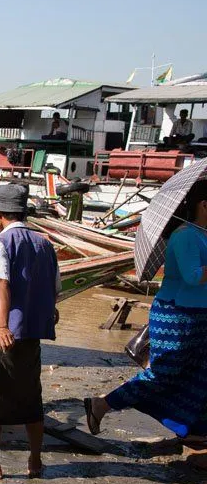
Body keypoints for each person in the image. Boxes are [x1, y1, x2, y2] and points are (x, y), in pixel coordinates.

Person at [85, 180, 207, 452]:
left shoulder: (203, 234)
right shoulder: (185, 235)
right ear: (204, 205)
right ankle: (102, 404)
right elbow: (193, 276)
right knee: (164, 374)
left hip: (199, 315)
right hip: (177, 316)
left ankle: (194, 432)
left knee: (200, 374)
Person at [0, 182, 60, 479]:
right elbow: (55, 288)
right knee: (31, 396)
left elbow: (0, 284)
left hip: (2, 332)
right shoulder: (45, 243)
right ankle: (35, 462)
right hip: (32, 331)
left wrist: (2, 324)